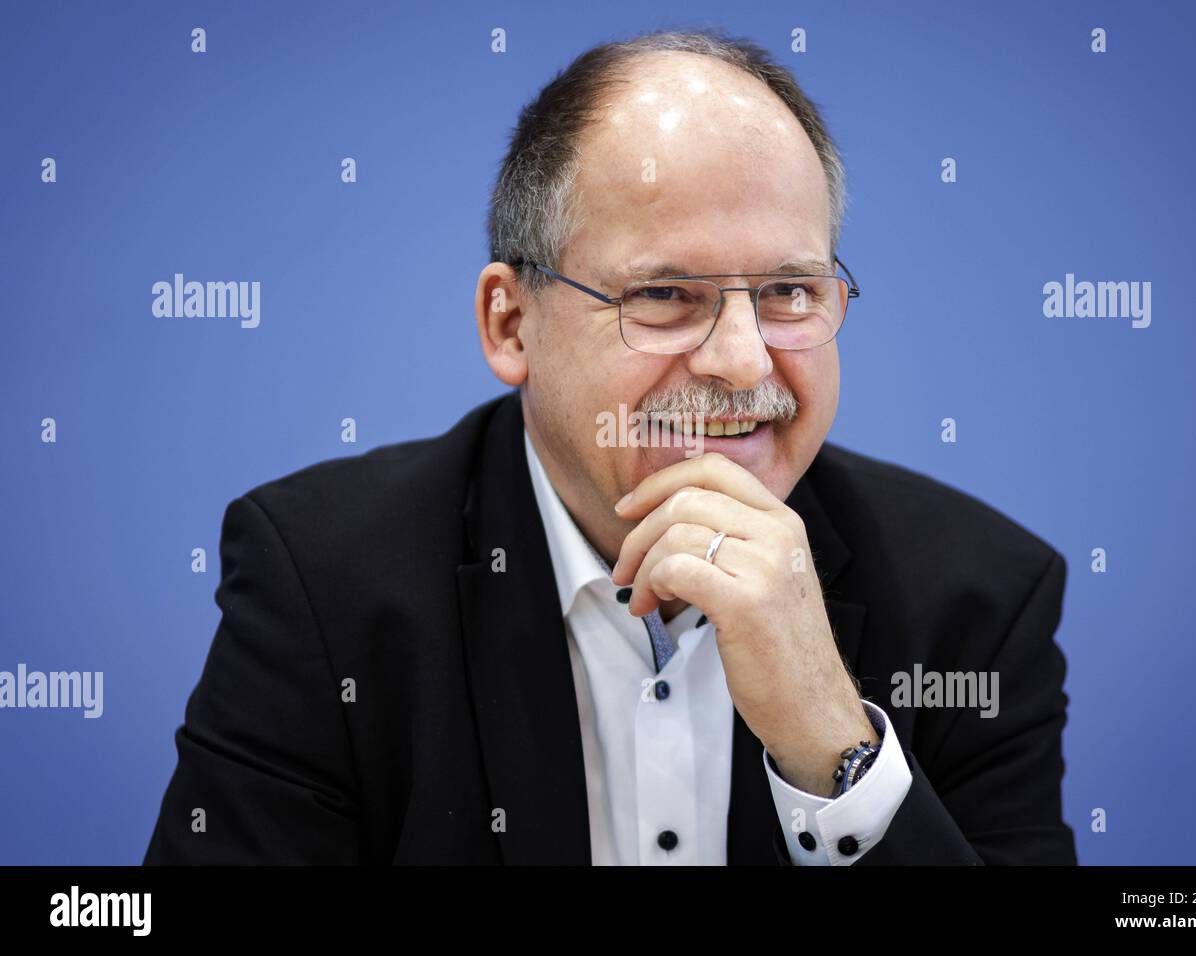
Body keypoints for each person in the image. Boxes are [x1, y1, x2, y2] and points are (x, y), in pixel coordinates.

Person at [144, 29, 1075, 866]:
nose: (743, 360)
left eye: (791, 291)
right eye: (665, 295)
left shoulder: (979, 598)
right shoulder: (324, 578)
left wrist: (836, 750)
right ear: (512, 323)